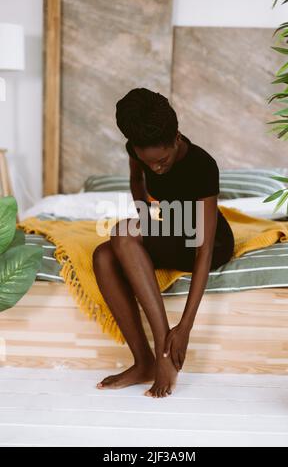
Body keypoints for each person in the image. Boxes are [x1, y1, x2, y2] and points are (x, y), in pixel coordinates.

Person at [92, 88, 234, 398]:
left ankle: (164, 354)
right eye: (150, 163)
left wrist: (184, 328)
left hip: (210, 242)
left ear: (177, 137)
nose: (157, 168)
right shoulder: (136, 149)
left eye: (163, 160)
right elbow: (135, 181)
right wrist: (145, 219)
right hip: (173, 227)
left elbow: (204, 248)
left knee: (121, 234)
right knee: (103, 255)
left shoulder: (202, 165)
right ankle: (143, 362)